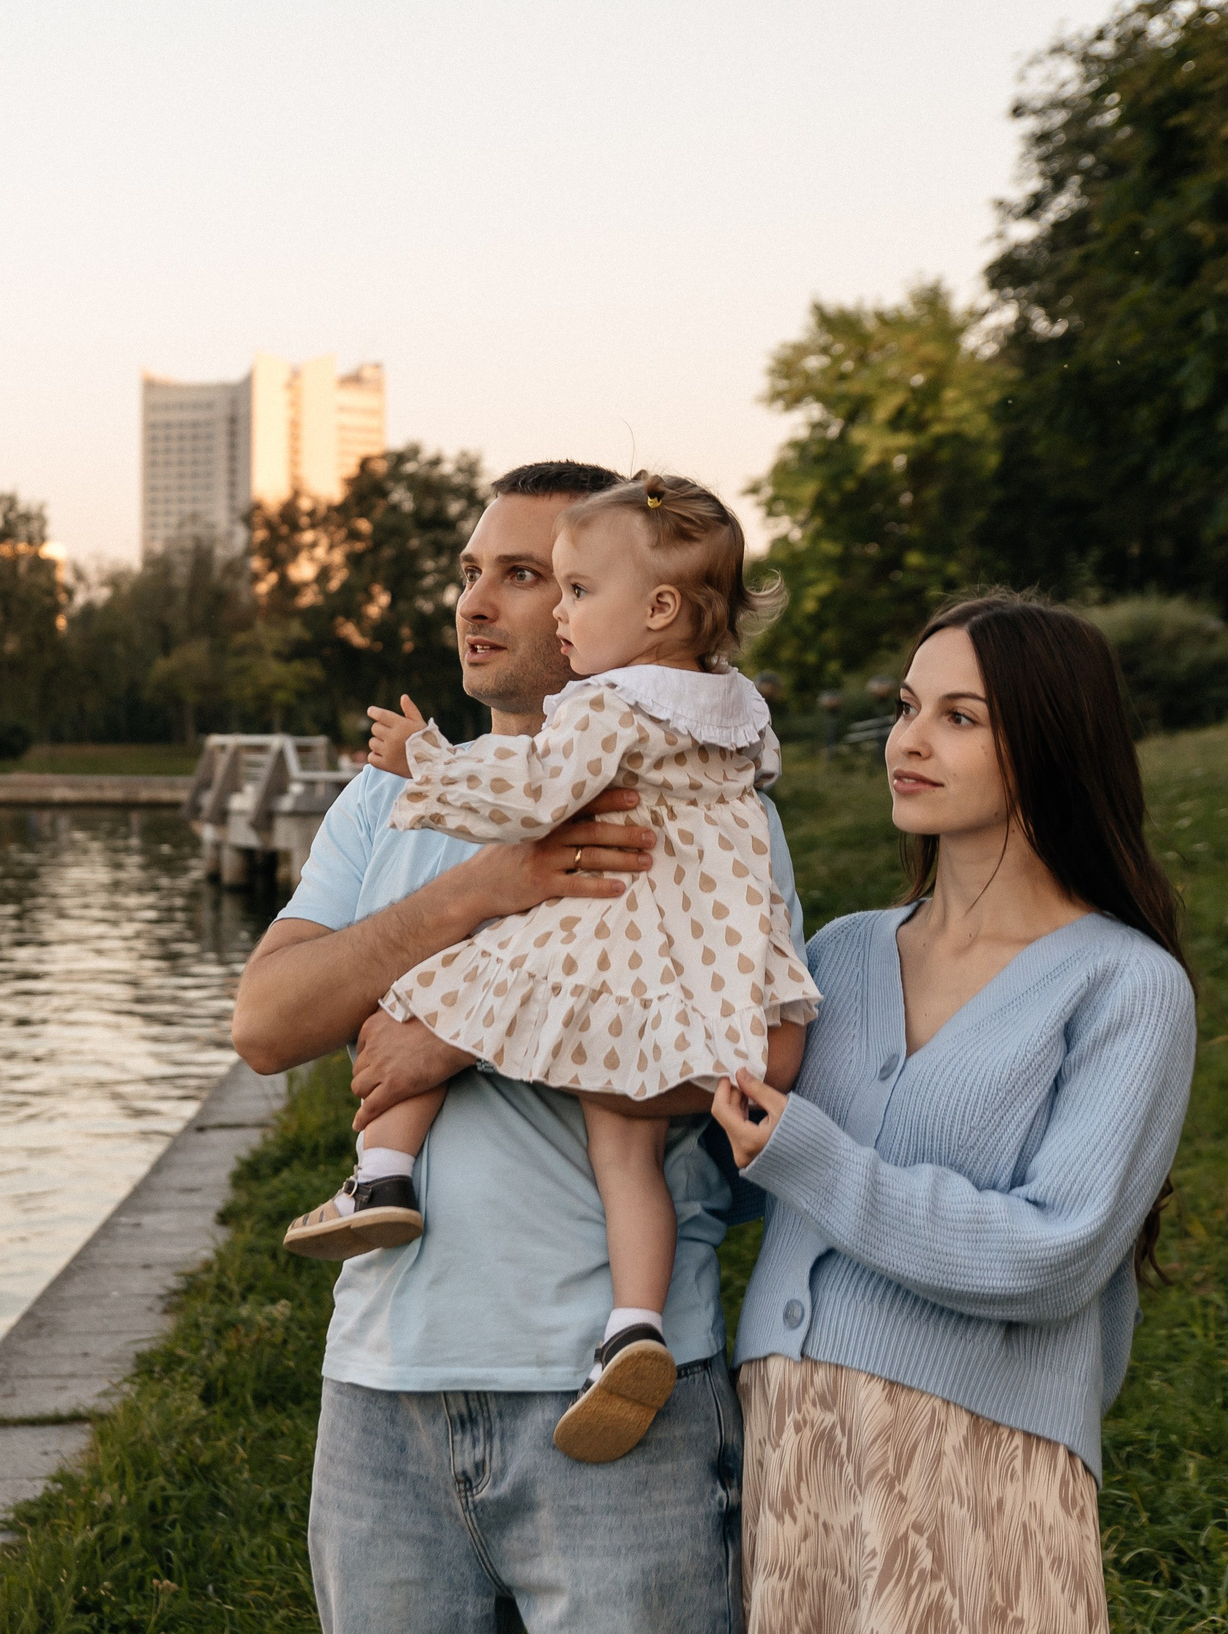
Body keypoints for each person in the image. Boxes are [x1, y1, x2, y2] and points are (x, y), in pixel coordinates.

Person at [233, 459, 806, 1633]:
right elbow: (266, 1024)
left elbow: (748, 1068)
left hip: (613, 1402)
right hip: (382, 1390)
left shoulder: (703, 814)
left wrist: (457, 1039)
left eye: (527, 575)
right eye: (469, 572)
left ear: (623, 604)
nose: (475, 604)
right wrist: (479, 892)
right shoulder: (382, 802)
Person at [711, 593, 1197, 1632]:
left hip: (981, 1463)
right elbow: (725, 1165)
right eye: (905, 706)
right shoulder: (837, 952)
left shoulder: (1123, 984)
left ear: (1051, 744)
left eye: (958, 717)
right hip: (787, 1440)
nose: (907, 741)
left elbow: (1055, 1251)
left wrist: (810, 1158)